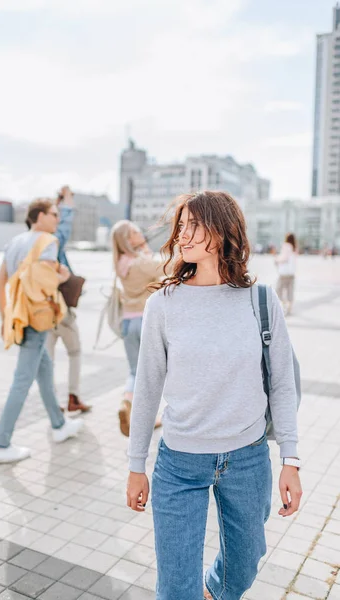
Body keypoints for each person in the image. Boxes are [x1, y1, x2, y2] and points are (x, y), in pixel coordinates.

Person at [126, 191, 302, 600]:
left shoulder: (261, 300)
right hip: (179, 463)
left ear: (222, 232)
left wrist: (290, 459)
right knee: (175, 588)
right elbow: (147, 387)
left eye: (194, 225)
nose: (182, 235)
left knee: (242, 566)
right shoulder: (163, 304)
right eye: (180, 226)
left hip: (248, 458)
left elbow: (282, 383)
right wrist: (137, 464)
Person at [0, 198, 83, 464]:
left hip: (21, 315)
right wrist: (63, 277)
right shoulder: (47, 242)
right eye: (54, 214)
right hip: (38, 318)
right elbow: (43, 282)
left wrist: (5, 317)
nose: (57, 219)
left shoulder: (14, 243)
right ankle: (1, 444)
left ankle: (59, 425)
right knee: (22, 380)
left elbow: (0, 284)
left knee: (44, 371)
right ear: (39, 216)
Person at [111, 220, 163, 437]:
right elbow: (165, 269)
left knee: (134, 371)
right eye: (134, 231)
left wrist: (144, 250)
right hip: (144, 321)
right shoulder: (140, 263)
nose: (139, 232)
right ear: (127, 239)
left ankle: (127, 402)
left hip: (127, 322)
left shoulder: (121, 262)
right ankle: (147, 419)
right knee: (152, 375)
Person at [45, 186, 91, 414]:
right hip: (60, 309)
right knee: (74, 352)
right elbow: (65, 225)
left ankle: (52, 404)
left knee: (48, 360)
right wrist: (68, 200)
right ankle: (72, 397)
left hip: (42, 311)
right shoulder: (52, 241)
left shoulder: (30, 242)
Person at [275, 233, 297, 316]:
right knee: (290, 291)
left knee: (278, 290)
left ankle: (283, 306)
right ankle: (289, 308)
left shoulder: (286, 245)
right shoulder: (294, 248)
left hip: (284, 273)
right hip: (291, 273)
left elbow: (284, 258)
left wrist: (277, 260)